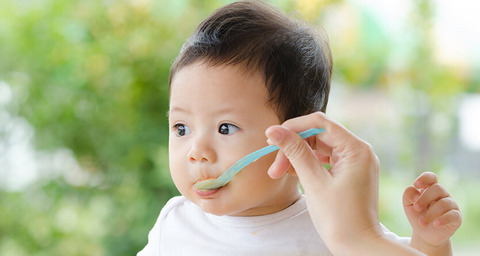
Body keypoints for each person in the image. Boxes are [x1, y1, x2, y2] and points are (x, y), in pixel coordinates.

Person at [138, 1, 461, 255]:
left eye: (225, 128)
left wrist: (429, 244)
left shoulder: (336, 223)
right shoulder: (175, 222)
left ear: (302, 135)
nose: (196, 152)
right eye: (181, 128)